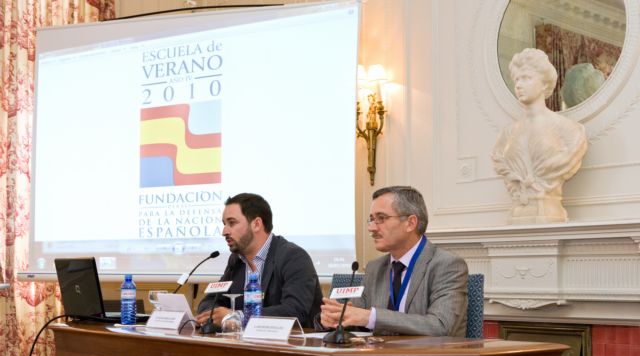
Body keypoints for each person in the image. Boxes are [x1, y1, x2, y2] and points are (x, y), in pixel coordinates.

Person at [320, 186, 468, 336]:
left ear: (410, 223)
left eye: (381, 218)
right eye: (371, 219)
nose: (371, 228)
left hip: (427, 351)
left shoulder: (447, 265)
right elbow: (359, 321)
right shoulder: (374, 268)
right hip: (379, 351)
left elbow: (441, 326)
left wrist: (371, 317)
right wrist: (336, 318)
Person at [195, 193, 323, 328]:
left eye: (232, 223)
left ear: (256, 224)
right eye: (224, 224)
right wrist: (214, 315)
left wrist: (237, 317)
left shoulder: (293, 257)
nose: (224, 231)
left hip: (292, 339)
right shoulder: (236, 261)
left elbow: (294, 311)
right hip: (245, 340)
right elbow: (209, 302)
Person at [492, 48, 588, 224]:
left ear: (544, 84)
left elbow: (567, 158)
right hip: (518, 212)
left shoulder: (569, 130)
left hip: (549, 210)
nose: (519, 85)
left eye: (526, 78)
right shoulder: (506, 135)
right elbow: (499, 160)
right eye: (517, 79)